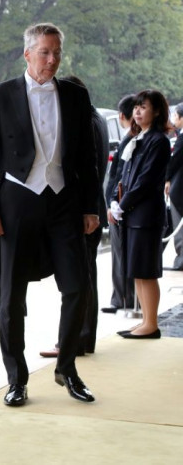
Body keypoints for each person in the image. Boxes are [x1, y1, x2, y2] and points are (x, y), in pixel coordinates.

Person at [0, 23, 99, 407]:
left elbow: (87, 158)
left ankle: (67, 368)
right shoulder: (1, 95)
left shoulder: (76, 95)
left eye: (57, 52)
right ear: (27, 54)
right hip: (16, 201)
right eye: (44, 52)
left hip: (63, 200)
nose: (52, 59)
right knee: (11, 296)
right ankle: (17, 379)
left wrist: (92, 206)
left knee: (77, 287)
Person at [39, 75, 109, 358]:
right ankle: (81, 337)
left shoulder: (86, 122)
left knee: (79, 278)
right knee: (85, 275)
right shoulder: (97, 119)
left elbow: (83, 170)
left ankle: (76, 339)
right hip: (89, 206)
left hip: (82, 208)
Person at [112, 90, 172, 339]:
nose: (137, 111)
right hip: (133, 214)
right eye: (136, 107)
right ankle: (146, 320)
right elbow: (124, 176)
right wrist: (116, 201)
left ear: (156, 111)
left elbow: (146, 180)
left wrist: (123, 204)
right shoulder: (140, 138)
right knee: (138, 269)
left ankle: (151, 323)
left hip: (145, 214)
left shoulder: (158, 140)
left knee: (146, 270)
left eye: (143, 107)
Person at [101, 95, 138, 313]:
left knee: (120, 253)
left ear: (121, 116)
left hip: (120, 205)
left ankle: (122, 297)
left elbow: (118, 177)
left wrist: (112, 202)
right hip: (119, 203)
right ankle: (121, 296)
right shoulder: (130, 138)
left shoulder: (131, 139)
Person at [164, 102, 183, 270]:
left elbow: (174, 160)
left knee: (178, 225)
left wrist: (167, 179)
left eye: (175, 115)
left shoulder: (182, 138)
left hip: (179, 189)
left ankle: (181, 259)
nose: (173, 119)